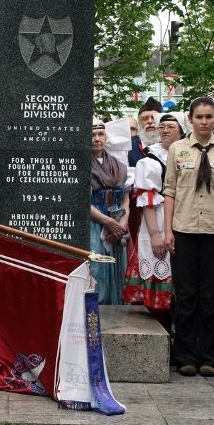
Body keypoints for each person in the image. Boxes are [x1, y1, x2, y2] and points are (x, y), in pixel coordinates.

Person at [164, 97, 214, 377]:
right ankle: (184, 356)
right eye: (199, 117)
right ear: (191, 119)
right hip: (183, 230)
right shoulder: (177, 149)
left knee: (211, 296)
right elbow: (170, 190)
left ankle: (209, 356)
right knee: (186, 296)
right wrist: (168, 229)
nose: (204, 121)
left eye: (209, 116)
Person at [127, 112, 185, 331]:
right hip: (158, 221)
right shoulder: (149, 160)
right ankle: (163, 336)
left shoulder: (188, 154)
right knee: (160, 278)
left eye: (171, 126)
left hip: (183, 220)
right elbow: (147, 200)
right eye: (162, 126)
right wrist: (155, 234)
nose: (165, 130)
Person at [89, 119, 129, 305]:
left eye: (100, 134)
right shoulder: (81, 165)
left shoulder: (118, 164)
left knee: (117, 267)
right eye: (93, 135)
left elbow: (125, 198)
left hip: (117, 222)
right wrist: (107, 221)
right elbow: (81, 200)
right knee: (97, 267)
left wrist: (121, 223)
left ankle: (116, 309)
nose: (97, 139)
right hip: (93, 223)